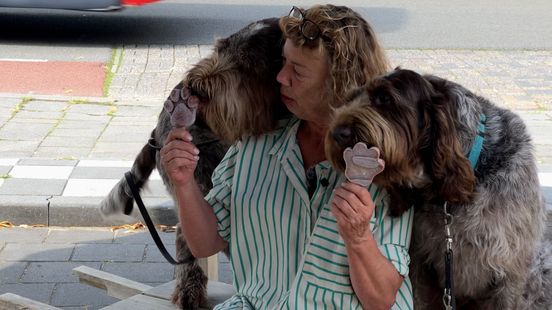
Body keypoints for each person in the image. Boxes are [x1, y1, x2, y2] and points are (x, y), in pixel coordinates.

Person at [160, 4, 414, 309]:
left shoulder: (383, 163)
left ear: (338, 83)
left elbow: (381, 299)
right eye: (284, 63)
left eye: (298, 71)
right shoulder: (256, 144)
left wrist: (359, 237)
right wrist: (184, 182)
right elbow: (205, 243)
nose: (281, 77)